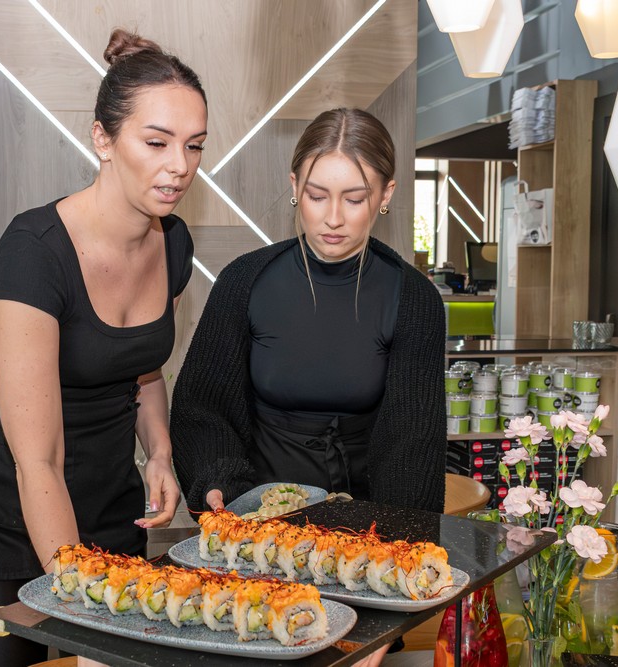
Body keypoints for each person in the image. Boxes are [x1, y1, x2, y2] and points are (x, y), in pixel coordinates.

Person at [0, 29, 207, 665]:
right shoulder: (34, 253)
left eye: (194, 145)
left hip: (106, 496)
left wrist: (160, 453)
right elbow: (39, 462)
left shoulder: (174, 244)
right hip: (3, 502)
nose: (180, 165)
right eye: (157, 142)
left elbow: (142, 366)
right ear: (103, 139)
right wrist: (79, 601)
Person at [171, 108, 445, 665]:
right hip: (258, 536)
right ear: (295, 186)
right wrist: (218, 480)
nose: (333, 218)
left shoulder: (414, 299)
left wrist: (385, 602)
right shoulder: (244, 282)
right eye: (318, 196)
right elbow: (202, 407)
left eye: (355, 198)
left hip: (367, 544)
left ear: (386, 195)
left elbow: (412, 450)